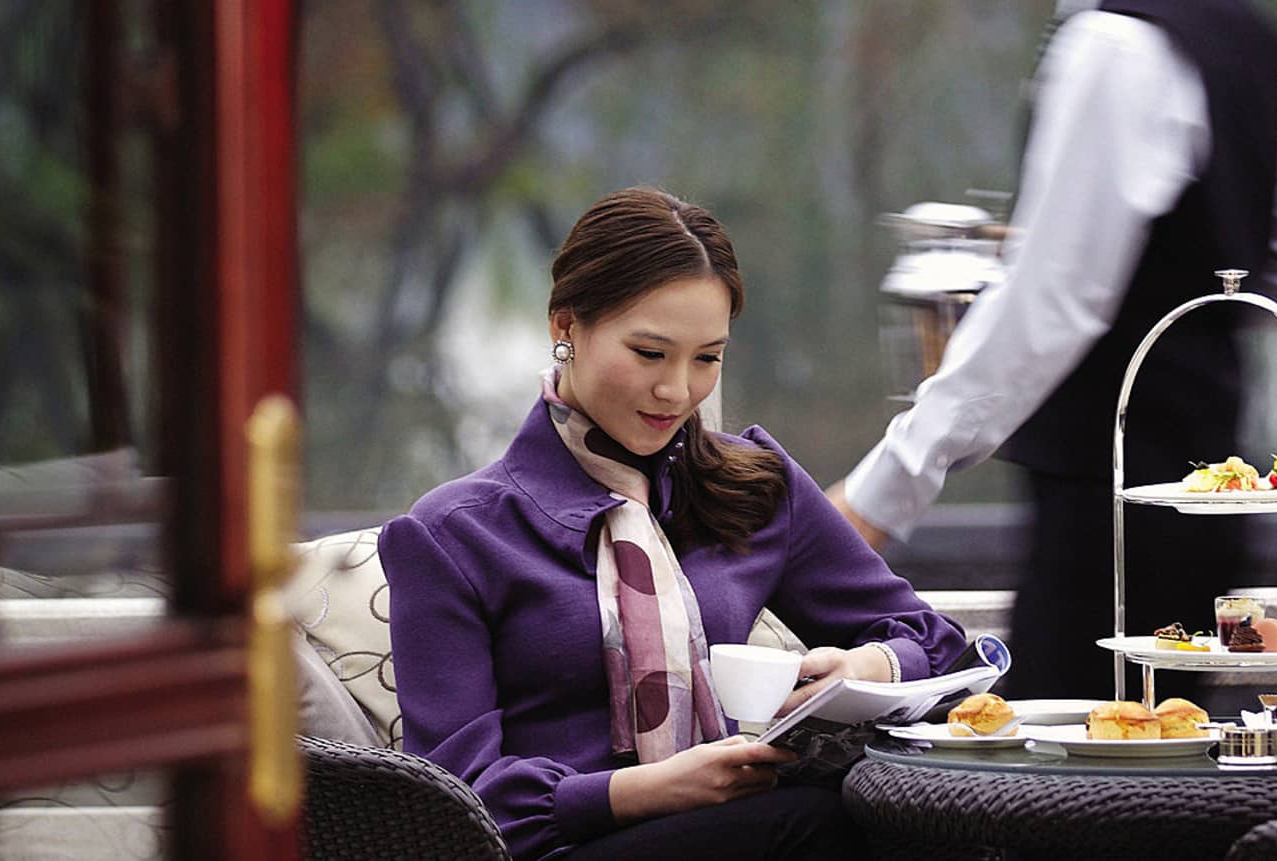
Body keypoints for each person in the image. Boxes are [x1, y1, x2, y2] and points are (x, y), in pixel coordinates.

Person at [380, 186, 968, 861]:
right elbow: (451, 801)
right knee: (824, 821)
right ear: (565, 327)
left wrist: (868, 665)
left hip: (747, 831)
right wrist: (655, 787)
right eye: (651, 353)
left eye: (707, 358)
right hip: (566, 849)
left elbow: (938, 645)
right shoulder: (453, 535)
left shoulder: (752, 485)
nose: (678, 390)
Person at [827, 0, 1277, 702]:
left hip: (1106, 511)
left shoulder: (1114, 44)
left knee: (1071, 782)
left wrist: (880, 493)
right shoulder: (1251, 39)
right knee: (1168, 753)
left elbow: (1052, 303)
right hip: (1209, 501)